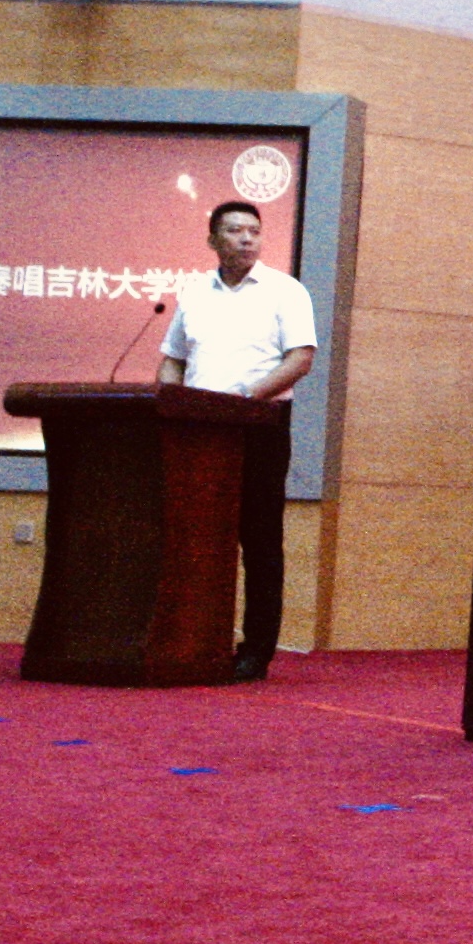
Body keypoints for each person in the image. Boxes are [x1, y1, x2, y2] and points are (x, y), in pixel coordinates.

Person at [156, 197, 319, 681]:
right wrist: (171, 400)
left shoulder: (285, 291)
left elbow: (300, 359)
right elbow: (173, 359)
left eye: (253, 231)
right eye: (234, 231)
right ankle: (192, 639)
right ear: (213, 240)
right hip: (198, 435)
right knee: (194, 535)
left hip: (258, 427)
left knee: (260, 538)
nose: (246, 239)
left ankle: (256, 650)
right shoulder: (194, 294)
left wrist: (245, 399)